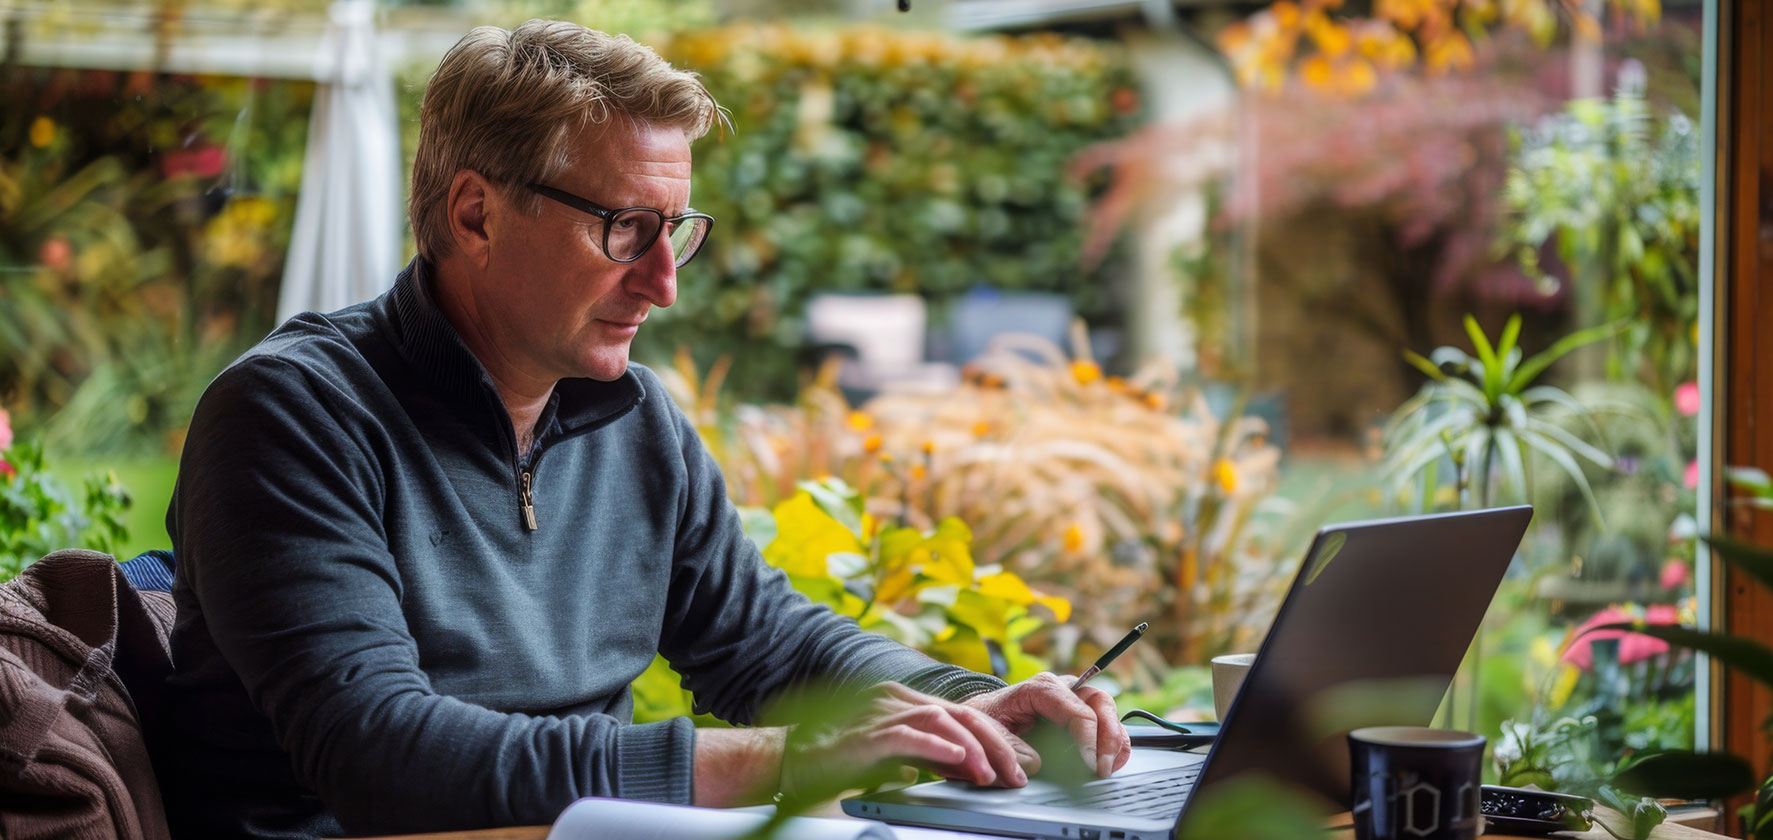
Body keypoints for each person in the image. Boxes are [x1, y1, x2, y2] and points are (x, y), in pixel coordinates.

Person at [159, 19, 1129, 839]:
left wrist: (960, 704)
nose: (663, 283)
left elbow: (765, 646)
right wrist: (790, 761)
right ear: (474, 214)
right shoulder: (293, 416)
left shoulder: (634, 422)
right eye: (624, 227)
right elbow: (379, 754)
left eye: (677, 230)